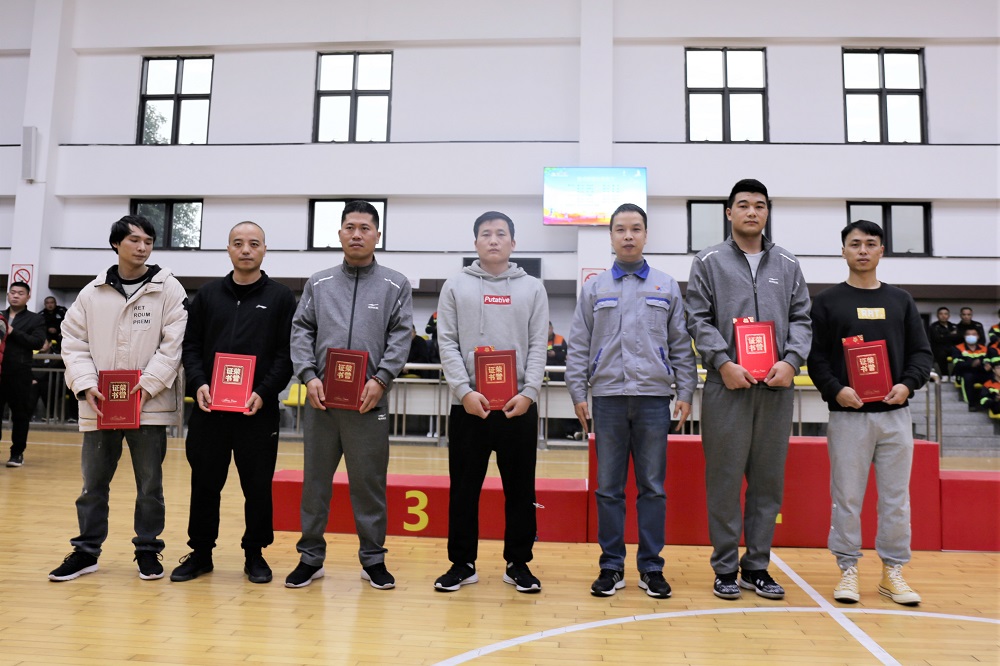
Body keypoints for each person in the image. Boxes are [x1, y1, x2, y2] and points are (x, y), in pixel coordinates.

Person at [685, 179, 812, 600]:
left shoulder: (788, 264)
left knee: (767, 482)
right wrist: (723, 362)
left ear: (767, 212)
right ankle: (725, 567)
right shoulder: (708, 262)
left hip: (775, 388)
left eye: (759, 205)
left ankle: (756, 566)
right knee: (724, 481)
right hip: (727, 386)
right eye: (743, 205)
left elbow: (802, 318)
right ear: (729, 213)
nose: (752, 212)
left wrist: (790, 361)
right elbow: (697, 319)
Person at [565, 203, 698, 599]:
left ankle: (652, 568)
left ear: (645, 235)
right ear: (610, 237)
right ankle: (611, 566)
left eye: (635, 229)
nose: (628, 235)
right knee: (608, 488)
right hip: (607, 399)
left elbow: (680, 344)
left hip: (654, 400)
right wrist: (577, 392)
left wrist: (686, 391)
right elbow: (578, 344)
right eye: (620, 229)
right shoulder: (594, 288)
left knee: (652, 488)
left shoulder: (666, 286)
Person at [49, 215, 187, 581]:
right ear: (116, 244)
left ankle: (148, 550)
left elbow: (174, 344)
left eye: (148, 242)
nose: (142, 248)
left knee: (150, 485)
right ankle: (86, 551)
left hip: (149, 404)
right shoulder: (91, 293)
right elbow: (73, 342)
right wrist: (85, 383)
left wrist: (150, 383)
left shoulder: (169, 288)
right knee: (93, 484)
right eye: (135, 240)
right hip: (100, 404)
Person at [285, 200, 412, 590]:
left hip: (368, 402)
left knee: (369, 484)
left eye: (365, 228)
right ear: (339, 233)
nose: (357, 234)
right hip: (321, 402)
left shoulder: (395, 284)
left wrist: (382, 378)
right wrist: (308, 376)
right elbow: (301, 330)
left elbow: (401, 335)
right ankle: (310, 558)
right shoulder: (319, 283)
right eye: (350, 227)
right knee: (315, 483)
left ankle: (373, 559)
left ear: (377, 235)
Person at [807, 220, 933, 606]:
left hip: (895, 415)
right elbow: (816, 358)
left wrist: (907, 385)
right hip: (848, 416)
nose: (862, 250)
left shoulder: (901, 300)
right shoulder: (827, 301)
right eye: (855, 243)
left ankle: (892, 571)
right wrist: (836, 390)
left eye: (870, 244)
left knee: (896, 498)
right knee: (846, 497)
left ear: (881, 251)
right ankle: (847, 569)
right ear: (843, 251)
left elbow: (921, 354)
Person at [170, 221, 296, 585]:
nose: (245, 250)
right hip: (210, 410)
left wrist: (264, 392)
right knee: (204, 484)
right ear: (228, 249)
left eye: (254, 243)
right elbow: (191, 346)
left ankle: (255, 553)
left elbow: (285, 354)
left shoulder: (280, 298)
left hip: (257, 411)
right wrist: (199, 383)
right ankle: (201, 553)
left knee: (257, 486)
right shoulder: (208, 295)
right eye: (238, 243)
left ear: (264, 250)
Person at [433, 211, 548, 594]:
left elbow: (538, 345)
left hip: (518, 407)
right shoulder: (455, 285)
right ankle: (462, 563)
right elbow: (447, 342)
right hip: (469, 407)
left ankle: (519, 563)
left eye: (501, 234)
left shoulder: (532, 288)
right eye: (486, 234)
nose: (494, 240)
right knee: (464, 489)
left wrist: (529, 393)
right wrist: (463, 391)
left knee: (521, 490)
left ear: (513, 243)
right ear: (476, 242)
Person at [0, 281, 46, 467]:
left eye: (20, 293)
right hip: (0, 372)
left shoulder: (35, 319)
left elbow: (37, 343)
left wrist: (13, 332)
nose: (15, 296)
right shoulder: (0, 316)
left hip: (19, 374)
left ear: (28, 297)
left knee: (20, 415)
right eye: (12, 292)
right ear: (8, 295)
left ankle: (17, 453)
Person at [949, 328, 989, 409]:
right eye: (968, 334)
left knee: (992, 377)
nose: (971, 336)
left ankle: (989, 403)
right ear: (964, 336)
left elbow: (987, 361)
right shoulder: (957, 348)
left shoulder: (984, 349)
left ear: (978, 336)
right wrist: (971, 364)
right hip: (965, 372)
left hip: (981, 372)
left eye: (974, 334)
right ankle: (971, 404)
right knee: (968, 377)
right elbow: (958, 363)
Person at [927, 307, 959, 379]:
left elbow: (957, 338)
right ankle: (945, 375)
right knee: (941, 354)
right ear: (937, 315)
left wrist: (944, 335)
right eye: (941, 314)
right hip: (939, 348)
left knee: (960, 355)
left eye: (945, 314)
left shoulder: (954, 326)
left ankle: (954, 375)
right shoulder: (933, 326)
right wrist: (950, 335)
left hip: (952, 348)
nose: (943, 316)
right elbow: (937, 338)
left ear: (949, 316)